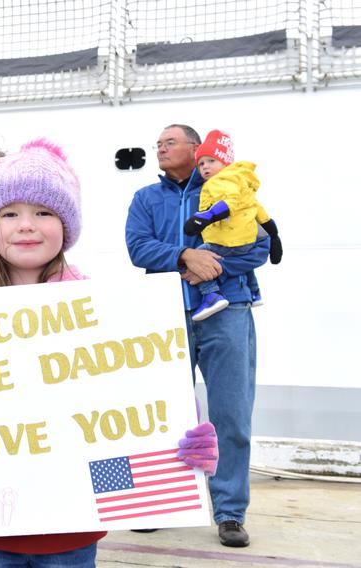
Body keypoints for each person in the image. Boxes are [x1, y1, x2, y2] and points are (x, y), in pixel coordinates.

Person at [0, 139, 220, 567]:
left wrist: (185, 437)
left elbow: (130, 403)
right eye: (9, 213)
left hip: (73, 521)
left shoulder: (100, 309)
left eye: (44, 212)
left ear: (67, 225)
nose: (26, 225)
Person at [125, 124, 270, 548]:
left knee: (232, 413)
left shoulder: (234, 188)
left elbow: (257, 248)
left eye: (170, 142)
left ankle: (229, 512)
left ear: (196, 149)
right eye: (158, 145)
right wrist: (184, 256)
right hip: (166, 312)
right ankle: (158, 502)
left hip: (230, 311)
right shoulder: (145, 199)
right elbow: (138, 247)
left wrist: (214, 266)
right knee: (163, 412)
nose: (160, 149)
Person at [182, 129, 283, 320]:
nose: (205, 167)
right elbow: (259, 210)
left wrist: (205, 217)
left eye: (211, 161)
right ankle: (254, 292)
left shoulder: (218, 182)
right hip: (246, 239)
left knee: (202, 254)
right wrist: (274, 235)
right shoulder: (240, 181)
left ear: (225, 162)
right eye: (201, 163)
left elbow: (228, 203)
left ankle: (211, 295)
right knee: (244, 255)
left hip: (229, 239)